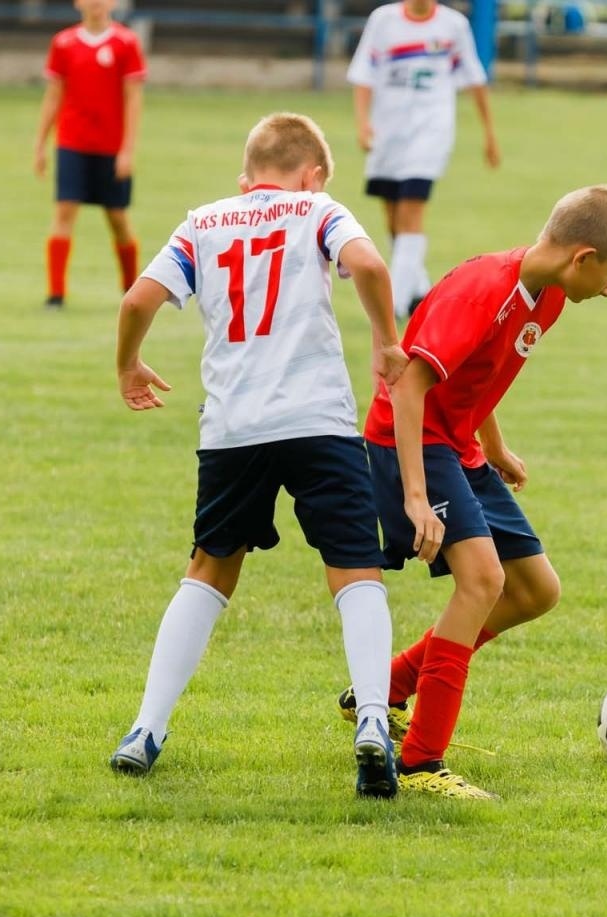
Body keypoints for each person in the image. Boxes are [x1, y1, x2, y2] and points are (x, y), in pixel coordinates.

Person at [108, 113, 408, 800]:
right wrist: (386, 340)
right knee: (354, 569)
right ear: (313, 176)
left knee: (208, 571)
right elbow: (368, 263)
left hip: (233, 428)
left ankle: (146, 729)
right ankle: (371, 719)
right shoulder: (319, 210)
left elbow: (137, 299)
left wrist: (128, 364)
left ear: (247, 179)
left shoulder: (204, 222)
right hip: (318, 421)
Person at [341, 185, 607, 800]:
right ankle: (421, 763)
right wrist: (413, 496)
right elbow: (408, 388)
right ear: (583, 257)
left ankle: (386, 687)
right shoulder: (484, 292)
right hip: (411, 441)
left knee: (536, 590)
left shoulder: (548, 294)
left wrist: (496, 446)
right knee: (483, 581)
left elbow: (478, 374)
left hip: (456, 444)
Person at [347, 0, 501, 321]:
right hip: (389, 133)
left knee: (410, 212)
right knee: (393, 217)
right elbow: (363, 74)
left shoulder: (453, 26)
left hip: (430, 133)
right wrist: (362, 123)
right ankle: (420, 291)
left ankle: (396, 302)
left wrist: (489, 133)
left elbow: (475, 79)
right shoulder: (383, 21)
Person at [33, 0, 146, 309]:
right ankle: (55, 295)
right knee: (64, 212)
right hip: (72, 143)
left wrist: (127, 150)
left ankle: (131, 291)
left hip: (110, 147)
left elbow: (133, 99)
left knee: (117, 218)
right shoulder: (63, 42)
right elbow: (54, 95)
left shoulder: (126, 43)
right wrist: (41, 142)